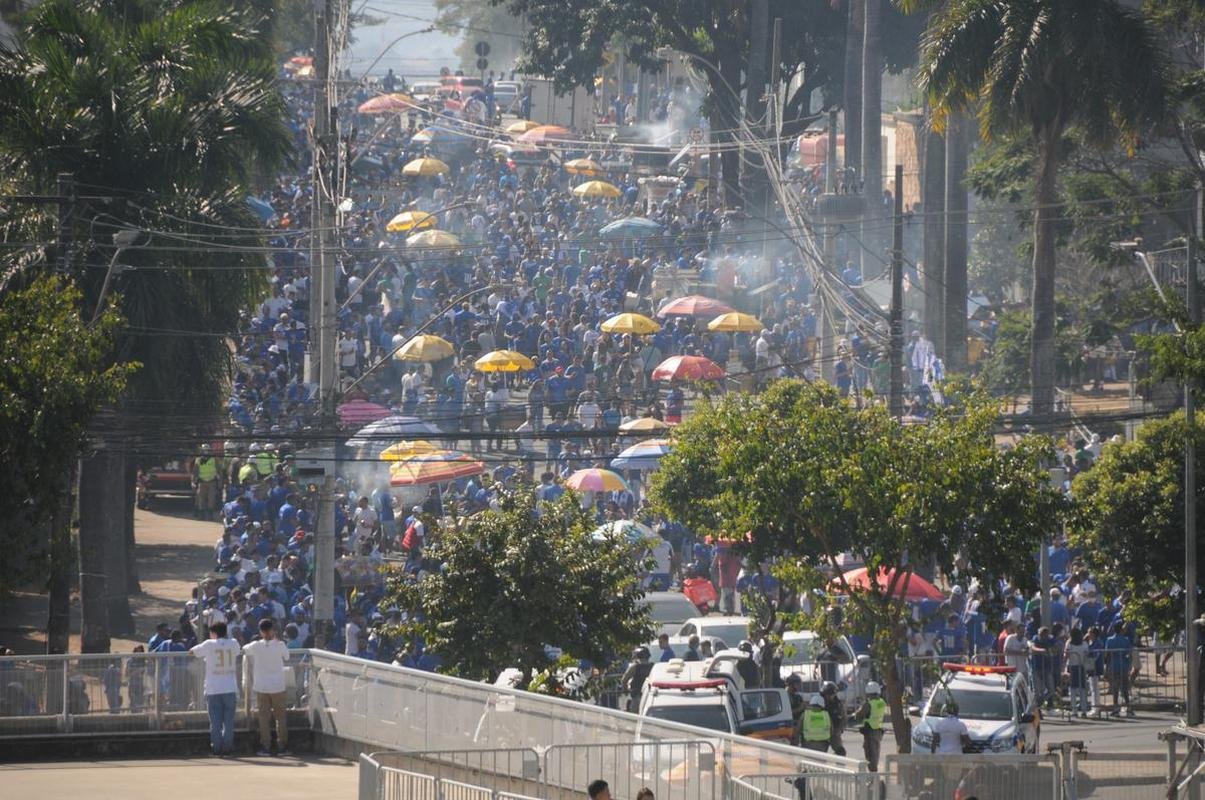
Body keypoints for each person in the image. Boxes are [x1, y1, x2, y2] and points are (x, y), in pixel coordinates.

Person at [190, 621, 241, 757]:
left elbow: (192, 652)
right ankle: (228, 748)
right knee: (229, 721)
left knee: (215, 722)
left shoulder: (209, 644)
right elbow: (237, 652)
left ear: (213, 633)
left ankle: (217, 749)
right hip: (230, 687)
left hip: (213, 688)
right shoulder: (234, 643)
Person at [244, 618, 291, 755]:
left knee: (263, 719)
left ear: (260, 632)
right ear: (272, 630)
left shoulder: (256, 645)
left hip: (261, 687)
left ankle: (266, 746)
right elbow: (287, 657)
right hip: (278, 686)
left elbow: (245, 649)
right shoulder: (280, 645)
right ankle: (282, 746)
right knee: (280, 717)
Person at [854, 681, 886, 771]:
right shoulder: (882, 702)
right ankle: (873, 774)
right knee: (876, 753)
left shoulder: (869, 704)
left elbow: (858, 716)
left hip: (870, 732)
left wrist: (857, 711)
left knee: (870, 754)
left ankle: (873, 776)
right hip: (878, 730)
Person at [620, 646, 653, 712]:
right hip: (649, 696)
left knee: (635, 717)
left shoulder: (635, 666)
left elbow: (624, 679)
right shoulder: (652, 666)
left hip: (636, 696)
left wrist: (625, 690)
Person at [820, 680, 846, 756]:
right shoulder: (819, 702)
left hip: (834, 732)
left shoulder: (838, 704)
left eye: (833, 694)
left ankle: (839, 767)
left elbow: (843, 718)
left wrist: (839, 730)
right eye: (829, 694)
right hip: (821, 733)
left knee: (841, 752)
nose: (831, 696)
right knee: (820, 755)